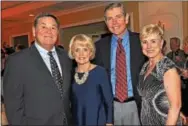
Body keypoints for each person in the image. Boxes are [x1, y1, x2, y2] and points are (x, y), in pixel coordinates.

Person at [3, 13, 72, 125]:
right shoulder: (17, 61)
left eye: (53, 28)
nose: (49, 31)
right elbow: (13, 106)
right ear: (34, 31)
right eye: (43, 27)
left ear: (57, 32)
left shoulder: (66, 57)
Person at [94, 2, 146, 125]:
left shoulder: (141, 41)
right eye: (110, 19)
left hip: (137, 105)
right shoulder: (98, 47)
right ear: (106, 23)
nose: (114, 22)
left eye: (118, 17)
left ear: (126, 18)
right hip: (111, 107)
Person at [138, 24, 182, 125]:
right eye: (145, 42)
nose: (149, 46)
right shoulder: (145, 66)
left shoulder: (167, 68)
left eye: (153, 41)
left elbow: (175, 106)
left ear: (161, 43)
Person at [68, 34, 113, 125]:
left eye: (85, 49)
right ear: (72, 53)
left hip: (97, 121)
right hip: (77, 121)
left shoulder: (100, 72)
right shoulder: (70, 73)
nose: (81, 54)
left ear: (90, 52)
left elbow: (108, 101)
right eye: (77, 50)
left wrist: (109, 122)